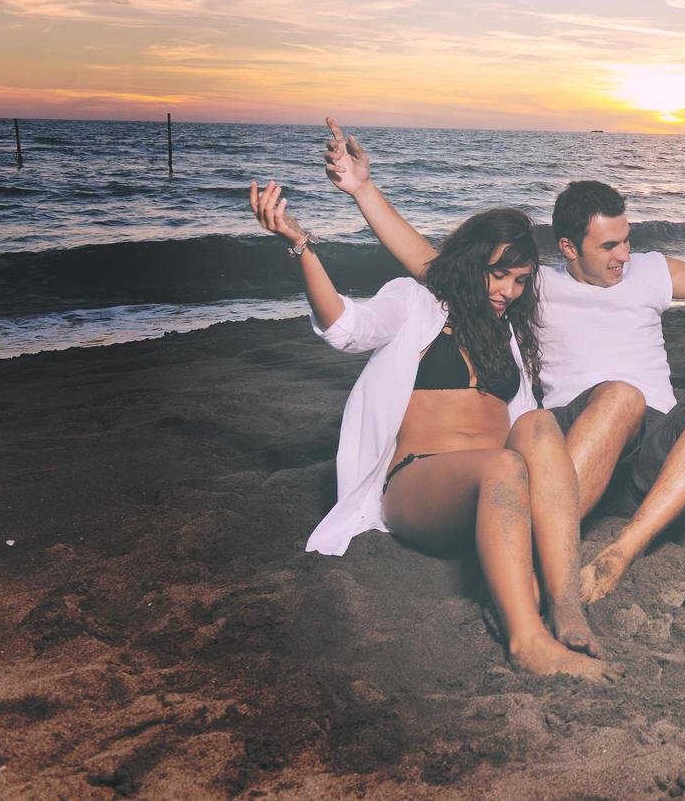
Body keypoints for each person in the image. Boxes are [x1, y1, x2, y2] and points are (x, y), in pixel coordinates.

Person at [318, 119, 685, 601]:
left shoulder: (649, 271)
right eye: (608, 247)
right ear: (570, 248)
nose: (623, 255)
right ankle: (541, 550)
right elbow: (433, 265)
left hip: (658, 446)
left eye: (626, 240)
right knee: (619, 394)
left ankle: (625, 547)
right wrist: (363, 189)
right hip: (579, 440)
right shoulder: (534, 287)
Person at [248, 179, 618, 681]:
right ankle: (527, 642)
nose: (508, 291)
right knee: (504, 463)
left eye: (519, 280)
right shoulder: (415, 305)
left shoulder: (509, 334)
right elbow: (342, 324)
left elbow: (530, 432)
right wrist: (300, 247)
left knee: (537, 422)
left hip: (499, 496)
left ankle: (566, 606)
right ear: (472, 264)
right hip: (420, 486)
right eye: (499, 275)